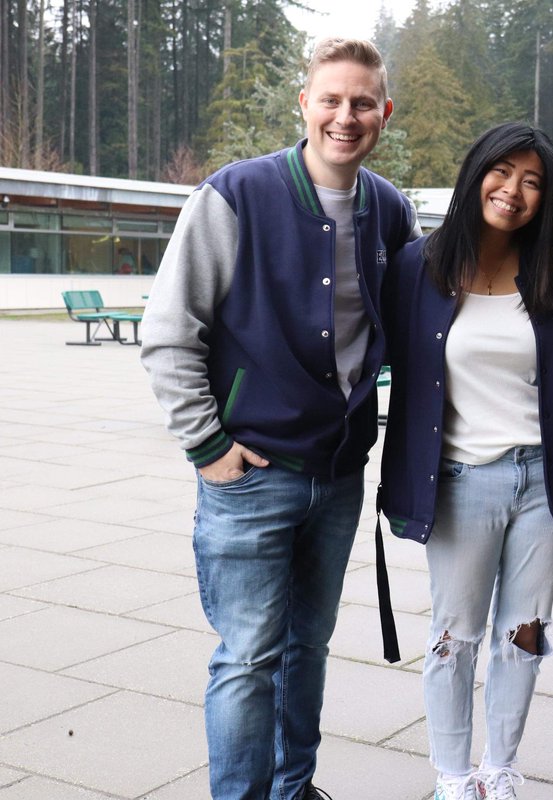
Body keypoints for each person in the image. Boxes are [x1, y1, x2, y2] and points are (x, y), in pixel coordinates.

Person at [140, 37, 418, 800]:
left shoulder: (391, 210)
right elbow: (168, 332)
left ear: (383, 113)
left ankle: (295, 789)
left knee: (308, 650)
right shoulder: (235, 196)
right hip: (250, 477)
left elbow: (428, 314)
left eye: (363, 102)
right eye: (331, 98)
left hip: (337, 479)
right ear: (305, 104)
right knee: (247, 657)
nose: (346, 115)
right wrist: (207, 445)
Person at [378, 122, 553, 800]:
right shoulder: (418, 267)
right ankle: (452, 777)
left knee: (522, 635)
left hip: (543, 483)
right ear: (476, 175)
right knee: (454, 636)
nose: (515, 190)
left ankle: (499, 770)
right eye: (504, 173)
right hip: (462, 481)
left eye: (533, 182)